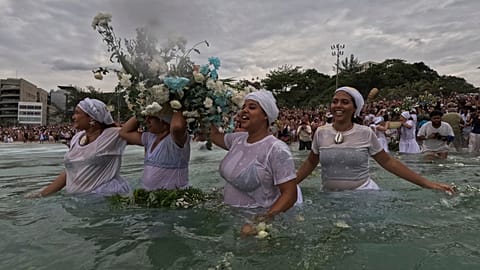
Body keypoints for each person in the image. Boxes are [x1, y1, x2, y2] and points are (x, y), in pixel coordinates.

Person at [295, 86, 454, 193]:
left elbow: (389, 163)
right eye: (335, 101)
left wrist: (428, 184)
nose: (338, 106)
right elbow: (310, 163)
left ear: (355, 108)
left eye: (345, 102)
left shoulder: (366, 133)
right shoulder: (321, 133)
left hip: (363, 195)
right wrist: (288, 185)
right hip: (329, 197)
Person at [209, 89, 302, 220]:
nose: (244, 110)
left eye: (252, 107)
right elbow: (213, 135)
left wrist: (263, 220)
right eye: (243, 107)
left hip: (255, 221)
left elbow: (290, 194)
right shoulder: (237, 139)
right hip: (228, 217)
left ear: (266, 115)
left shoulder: (276, 149)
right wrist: (205, 107)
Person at [29, 98, 130, 197]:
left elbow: (141, 135)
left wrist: (143, 108)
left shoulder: (113, 135)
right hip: (78, 201)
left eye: (77, 113)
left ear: (91, 117)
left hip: (102, 198)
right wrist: (42, 194)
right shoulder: (77, 137)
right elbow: (71, 171)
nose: (73, 117)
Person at [119, 102, 190, 190]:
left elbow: (177, 127)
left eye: (151, 117)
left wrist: (178, 103)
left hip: (175, 196)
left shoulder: (176, 139)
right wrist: (142, 109)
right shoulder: (149, 138)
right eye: (146, 117)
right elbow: (124, 132)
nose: (146, 121)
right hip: (150, 195)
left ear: (164, 120)